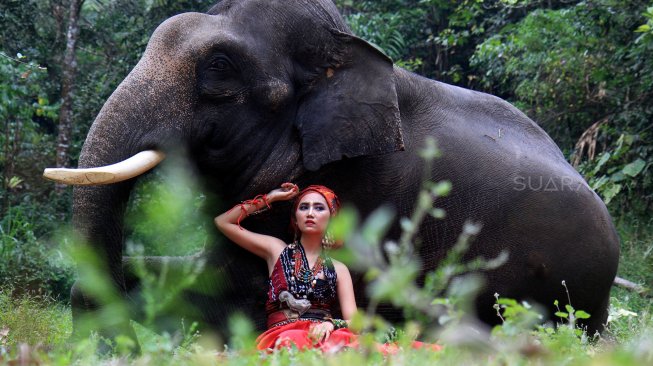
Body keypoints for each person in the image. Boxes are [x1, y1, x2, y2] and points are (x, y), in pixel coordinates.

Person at [215, 183, 440, 353]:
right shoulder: (277, 251)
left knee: (366, 350)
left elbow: (356, 322)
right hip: (282, 335)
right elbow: (224, 222)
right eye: (304, 207)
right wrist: (271, 197)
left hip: (326, 335)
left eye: (318, 208)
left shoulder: (338, 268)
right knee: (292, 341)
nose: (310, 213)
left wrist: (331, 324)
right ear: (296, 216)